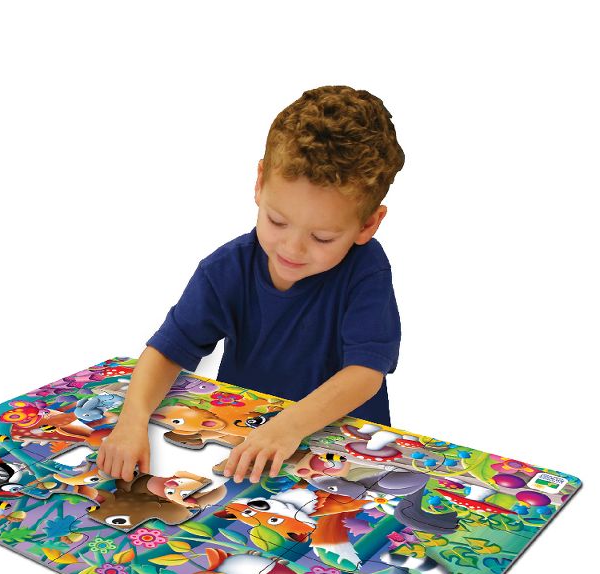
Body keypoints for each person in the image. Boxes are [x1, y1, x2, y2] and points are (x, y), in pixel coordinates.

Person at [97, 85, 405, 485]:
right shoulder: (227, 269)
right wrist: (132, 420)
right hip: (247, 452)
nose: (292, 248)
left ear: (368, 224)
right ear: (259, 183)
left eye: (322, 237)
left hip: (345, 459)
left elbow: (365, 373)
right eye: (277, 221)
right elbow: (167, 349)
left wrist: (288, 426)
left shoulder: (366, 271)